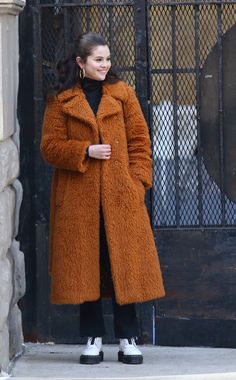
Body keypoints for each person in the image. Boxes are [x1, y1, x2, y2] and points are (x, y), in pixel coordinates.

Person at [40, 32, 165, 365]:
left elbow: (141, 143)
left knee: (121, 265)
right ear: (81, 63)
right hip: (79, 202)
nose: (105, 64)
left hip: (121, 198)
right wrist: (84, 150)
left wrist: (137, 183)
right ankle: (92, 339)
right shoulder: (62, 99)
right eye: (98, 59)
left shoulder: (123, 95)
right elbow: (49, 147)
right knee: (87, 268)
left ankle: (128, 339)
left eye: (107, 59)